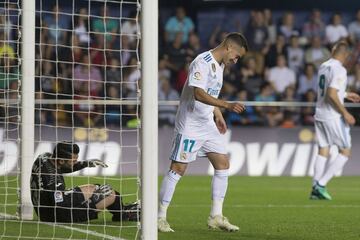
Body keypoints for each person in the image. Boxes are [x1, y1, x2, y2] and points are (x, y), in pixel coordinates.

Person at [158, 32, 248, 233]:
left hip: (207, 123)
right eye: (236, 56)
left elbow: (211, 92)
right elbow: (198, 93)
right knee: (178, 168)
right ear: (228, 47)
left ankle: (216, 216)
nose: (235, 60)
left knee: (223, 163)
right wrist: (225, 105)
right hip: (189, 124)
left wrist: (217, 114)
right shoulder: (202, 61)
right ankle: (159, 217)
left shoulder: (221, 65)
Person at [30, 141, 140, 222]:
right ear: (61, 160)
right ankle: (125, 214)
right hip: (55, 215)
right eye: (73, 161)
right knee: (109, 195)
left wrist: (85, 163)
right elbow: (61, 205)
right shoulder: (53, 180)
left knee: (97, 189)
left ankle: (122, 212)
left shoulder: (45, 158)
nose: (75, 162)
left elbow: (62, 168)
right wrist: (91, 202)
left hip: (45, 206)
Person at [311, 41, 360, 200]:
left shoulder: (324, 66)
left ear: (333, 51)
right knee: (345, 151)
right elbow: (331, 94)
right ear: (345, 55)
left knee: (323, 149)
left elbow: (327, 90)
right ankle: (321, 185)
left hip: (319, 113)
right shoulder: (340, 69)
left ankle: (314, 188)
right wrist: (345, 113)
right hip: (332, 115)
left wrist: (345, 94)